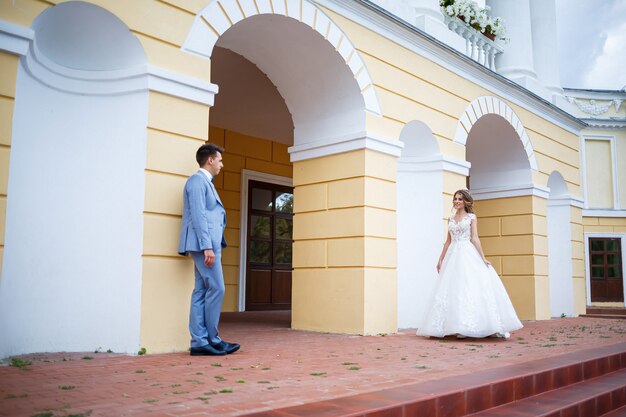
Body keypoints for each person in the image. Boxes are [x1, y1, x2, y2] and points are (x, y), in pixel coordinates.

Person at [416, 189, 523, 339]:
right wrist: (440, 259)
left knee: (468, 286)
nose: (457, 201)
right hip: (453, 255)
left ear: (466, 201)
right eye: (455, 199)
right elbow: (448, 241)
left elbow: (475, 238)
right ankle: (455, 326)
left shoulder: (471, 217)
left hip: (467, 253)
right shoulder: (450, 219)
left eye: (460, 199)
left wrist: (483, 257)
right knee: (453, 289)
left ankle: (472, 326)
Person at [178, 143, 240, 356]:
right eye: (220, 160)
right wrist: (207, 247)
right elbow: (198, 215)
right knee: (217, 288)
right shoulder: (197, 181)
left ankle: (200, 342)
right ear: (210, 160)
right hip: (204, 245)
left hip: (208, 245)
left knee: (202, 290)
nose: (222, 164)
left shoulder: (206, 182)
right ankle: (211, 339)